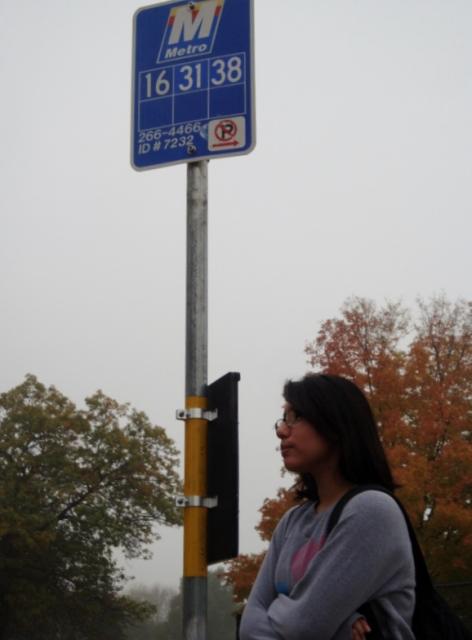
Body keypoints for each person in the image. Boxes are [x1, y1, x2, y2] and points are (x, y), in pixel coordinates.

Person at [239, 374, 416, 640]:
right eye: (282, 420)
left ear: (335, 425)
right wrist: (341, 626)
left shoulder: (372, 511)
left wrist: (289, 613)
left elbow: (304, 626)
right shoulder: (292, 521)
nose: (281, 431)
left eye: (295, 417)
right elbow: (249, 625)